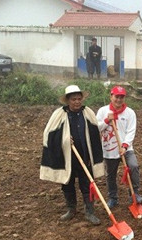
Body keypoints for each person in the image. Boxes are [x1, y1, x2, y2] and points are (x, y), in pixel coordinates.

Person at [40, 85, 104, 225]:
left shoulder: (87, 113)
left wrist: (92, 156)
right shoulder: (59, 114)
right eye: (73, 99)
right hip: (67, 158)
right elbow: (48, 135)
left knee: (86, 184)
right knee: (67, 184)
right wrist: (63, 139)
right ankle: (71, 209)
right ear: (68, 100)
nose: (77, 102)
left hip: (85, 156)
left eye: (79, 99)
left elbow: (94, 134)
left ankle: (89, 212)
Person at [96, 86, 142, 209]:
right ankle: (113, 198)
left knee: (133, 166)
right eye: (116, 96)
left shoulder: (130, 112)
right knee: (110, 174)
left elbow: (131, 131)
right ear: (111, 96)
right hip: (110, 148)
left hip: (126, 148)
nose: (119, 99)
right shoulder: (102, 111)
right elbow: (95, 128)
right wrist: (107, 120)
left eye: (121, 97)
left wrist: (125, 146)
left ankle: (134, 193)